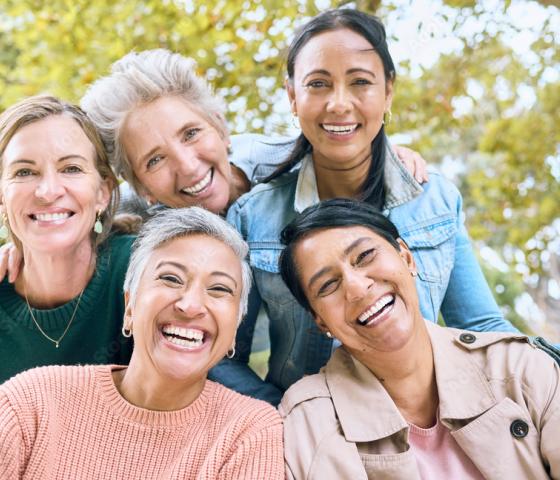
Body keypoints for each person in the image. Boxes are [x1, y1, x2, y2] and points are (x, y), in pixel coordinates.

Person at [224, 8, 519, 404]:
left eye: (360, 82)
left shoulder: (434, 200)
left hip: (425, 428)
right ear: (292, 96)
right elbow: (224, 355)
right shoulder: (252, 216)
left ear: (388, 91)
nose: (339, 104)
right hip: (312, 448)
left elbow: (483, 326)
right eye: (318, 84)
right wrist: (288, 421)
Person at [278, 198, 559, 479]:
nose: (357, 288)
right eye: (328, 285)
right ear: (320, 320)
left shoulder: (521, 368)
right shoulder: (305, 426)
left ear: (406, 256)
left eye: (364, 257)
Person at [0, 207, 284, 479]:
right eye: (171, 279)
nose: (191, 305)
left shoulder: (249, 431)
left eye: (219, 289)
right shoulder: (30, 402)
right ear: (130, 307)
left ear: (235, 327)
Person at [79, 47, 426, 220]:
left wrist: (386, 155)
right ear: (142, 188)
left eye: (191, 134)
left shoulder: (287, 162)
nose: (187, 166)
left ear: (220, 126)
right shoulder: (127, 207)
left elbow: (346, 144)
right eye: (154, 160)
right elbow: (77, 210)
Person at [0, 95, 133, 383]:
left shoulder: (141, 270)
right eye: (24, 172)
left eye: (71, 169)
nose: (47, 191)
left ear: (103, 192)